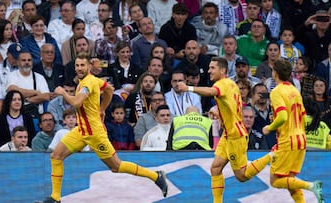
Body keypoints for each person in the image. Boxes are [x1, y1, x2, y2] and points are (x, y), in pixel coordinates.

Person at [42, 52, 168, 203]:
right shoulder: (93, 81)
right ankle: (55, 197)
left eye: (83, 65)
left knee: (116, 166)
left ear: (89, 66)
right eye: (77, 65)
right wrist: (102, 109)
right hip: (81, 130)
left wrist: (62, 92)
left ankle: (156, 176)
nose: (79, 68)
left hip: (94, 134)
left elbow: (76, 103)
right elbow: (109, 89)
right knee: (56, 156)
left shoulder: (88, 84)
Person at [177, 57, 272, 202]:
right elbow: (232, 107)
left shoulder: (222, 84)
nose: (209, 71)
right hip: (227, 135)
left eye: (212, 68)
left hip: (235, 136)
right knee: (215, 168)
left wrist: (188, 88)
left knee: (242, 176)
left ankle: (272, 156)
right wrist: (220, 114)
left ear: (222, 70)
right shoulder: (231, 84)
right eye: (209, 67)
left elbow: (210, 92)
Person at [262, 59, 324, 203]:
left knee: (275, 181)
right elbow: (302, 115)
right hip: (300, 140)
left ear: (275, 73)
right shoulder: (294, 90)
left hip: (288, 140)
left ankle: (311, 185)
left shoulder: (276, 91)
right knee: (290, 181)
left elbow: (283, 116)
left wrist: (269, 127)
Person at [6, 51, 50, 118]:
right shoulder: (12, 75)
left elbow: (46, 96)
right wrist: (35, 92)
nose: (27, 62)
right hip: (17, 115)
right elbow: (12, 90)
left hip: (36, 115)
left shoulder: (39, 77)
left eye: (29, 60)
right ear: (18, 62)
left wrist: (27, 100)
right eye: (23, 60)